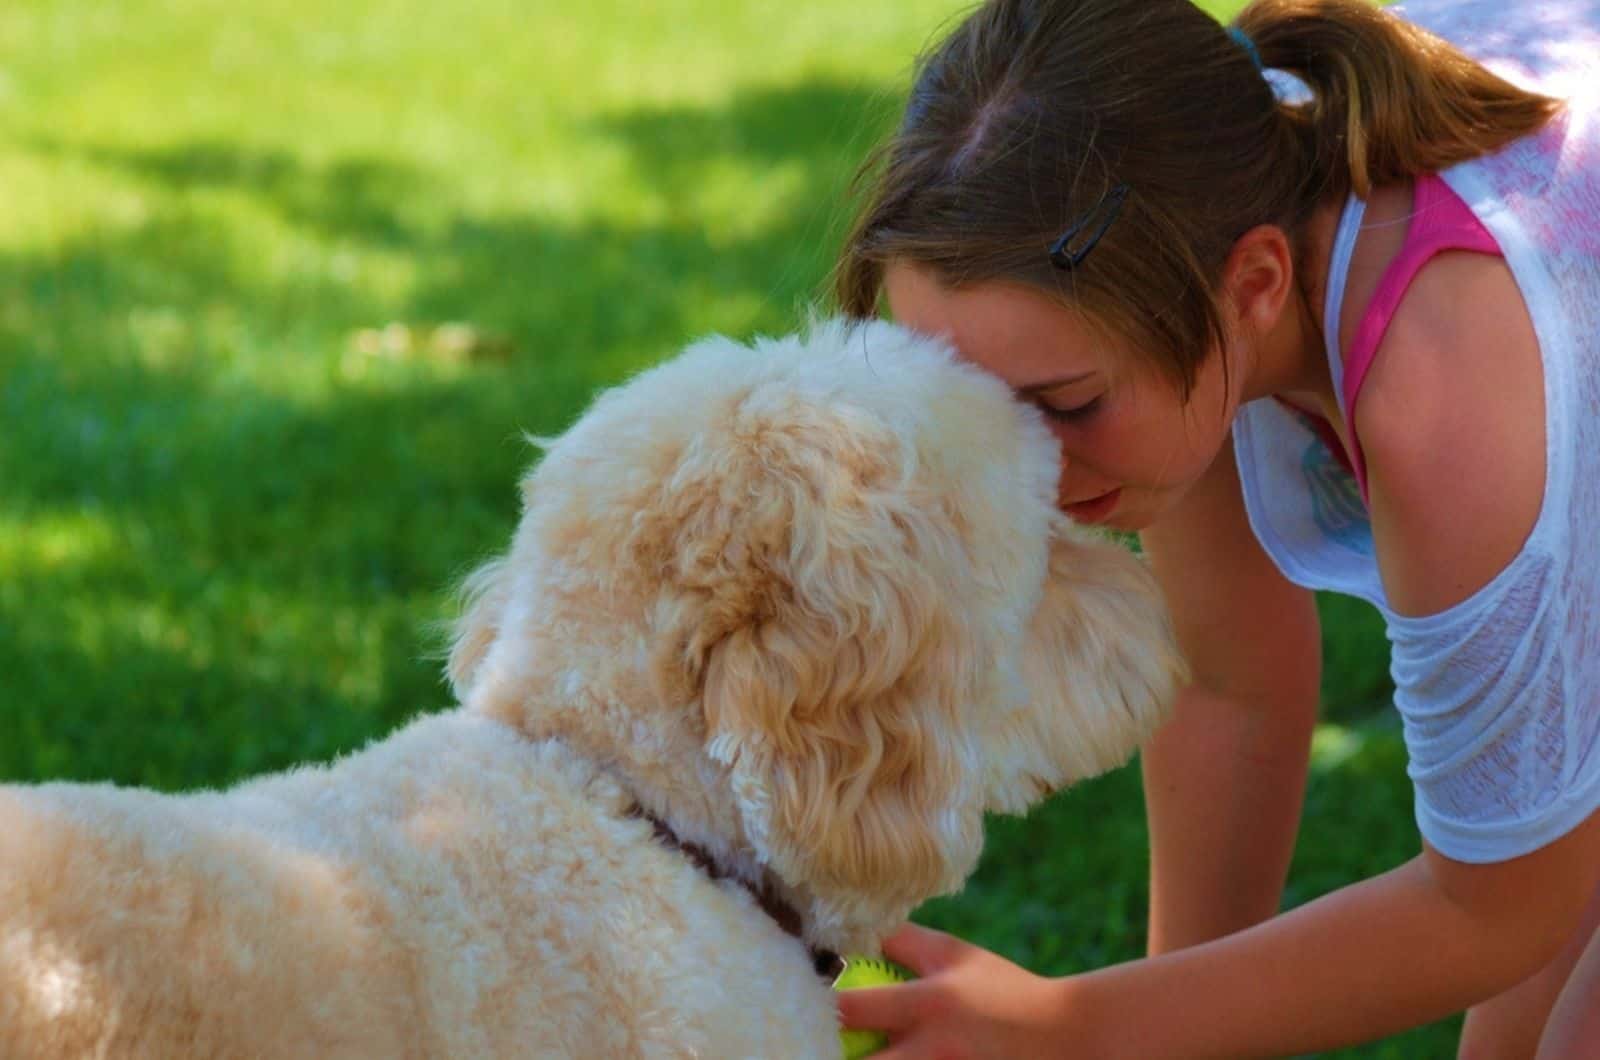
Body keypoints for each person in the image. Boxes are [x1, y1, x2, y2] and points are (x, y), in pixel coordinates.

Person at [830, 0, 1600, 1056]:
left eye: (1065, 403)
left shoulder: (1441, 393)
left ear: (1255, 284)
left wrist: (1072, 1028)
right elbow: (1227, 687)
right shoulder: (1186, 234)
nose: (1029, 472)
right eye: (970, 405)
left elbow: (1493, 911)